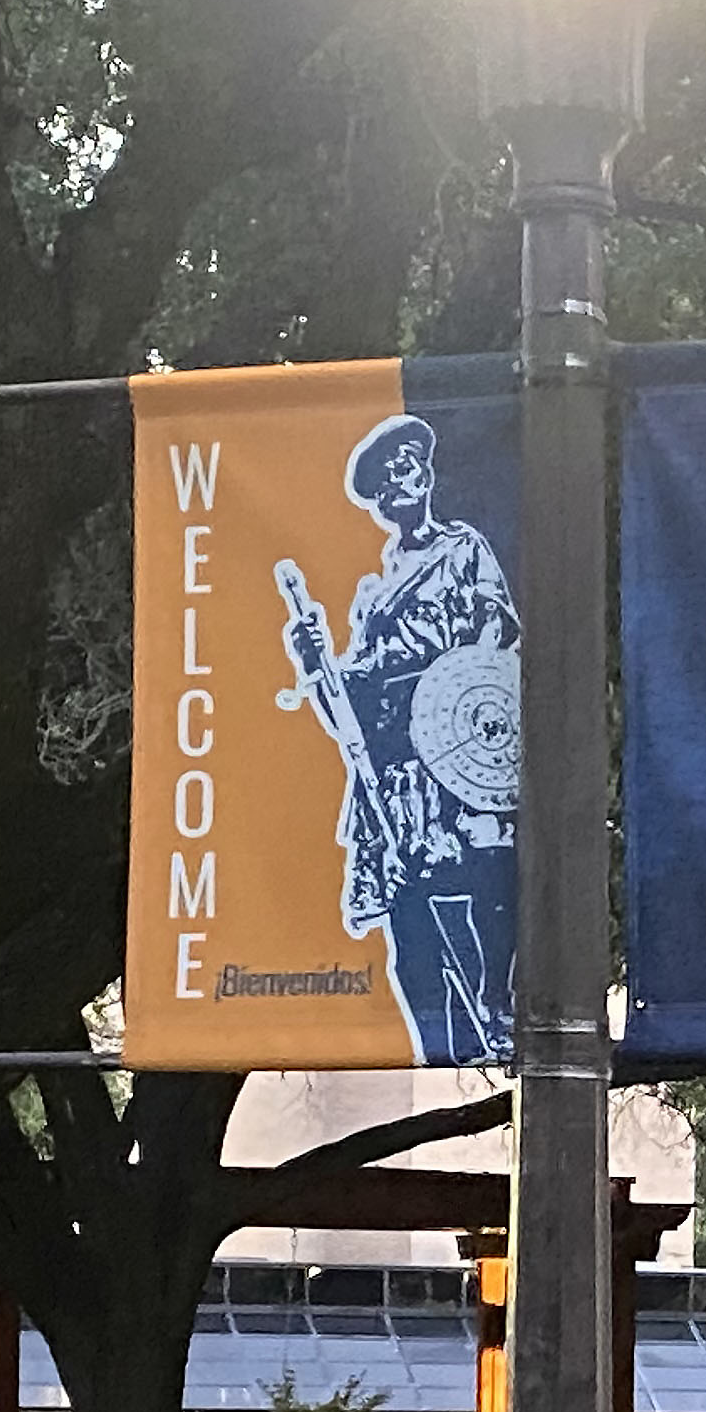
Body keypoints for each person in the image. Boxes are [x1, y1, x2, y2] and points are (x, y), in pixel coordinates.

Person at [275, 414, 521, 1064]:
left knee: (494, 865)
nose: (400, 481)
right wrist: (314, 660)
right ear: (380, 501)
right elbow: (346, 713)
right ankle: (448, 1039)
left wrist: (471, 695)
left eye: (408, 466)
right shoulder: (372, 595)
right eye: (386, 479)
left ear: (426, 473)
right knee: (409, 912)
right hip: (397, 763)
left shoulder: (464, 548)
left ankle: (497, 1001)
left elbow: (498, 627)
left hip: (461, 741)